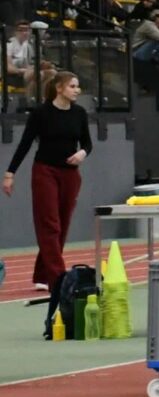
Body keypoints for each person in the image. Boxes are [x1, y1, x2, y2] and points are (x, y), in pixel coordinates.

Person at [5, 71, 90, 289]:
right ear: (59, 88)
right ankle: (58, 278)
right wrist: (10, 173)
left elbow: (87, 144)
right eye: (72, 86)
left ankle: (43, 274)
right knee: (49, 225)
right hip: (45, 172)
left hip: (70, 175)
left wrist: (82, 154)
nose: (77, 90)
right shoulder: (41, 114)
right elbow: (24, 143)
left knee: (61, 225)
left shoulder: (79, 113)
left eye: (78, 86)